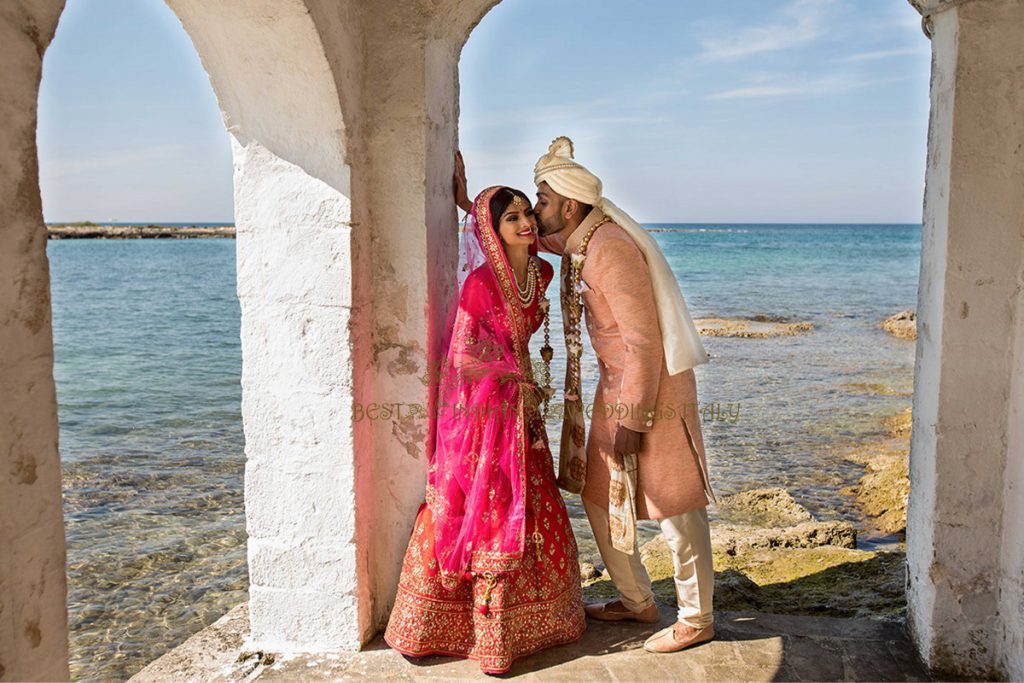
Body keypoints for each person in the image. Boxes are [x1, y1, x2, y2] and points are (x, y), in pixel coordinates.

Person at [383, 183, 586, 675]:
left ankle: (536, 624)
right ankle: (436, 626)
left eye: (528, 214)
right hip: (485, 413)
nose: (526, 223)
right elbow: (463, 357)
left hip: (523, 409)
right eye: (512, 218)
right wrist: (517, 378)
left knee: (531, 504)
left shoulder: (540, 271)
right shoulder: (479, 283)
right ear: (492, 231)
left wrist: (467, 202)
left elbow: (565, 238)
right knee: (477, 505)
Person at [529, 136, 718, 654]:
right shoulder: (582, 239)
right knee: (596, 493)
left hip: (654, 388)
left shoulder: (610, 249)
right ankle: (637, 603)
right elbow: (532, 239)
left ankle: (697, 617)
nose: (536, 209)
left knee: (674, 506)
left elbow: (644, 341)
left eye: (542, 200)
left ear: (569, 206)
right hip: (616, 388)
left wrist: (634, 420)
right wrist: (467, 206)